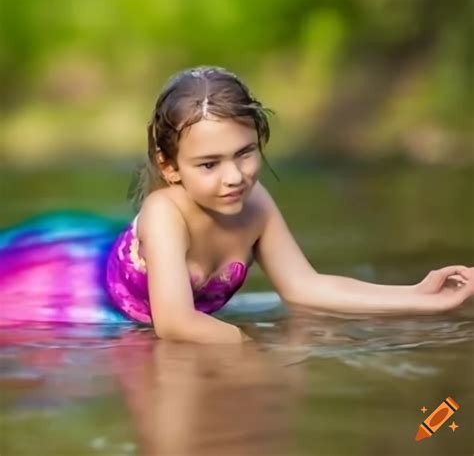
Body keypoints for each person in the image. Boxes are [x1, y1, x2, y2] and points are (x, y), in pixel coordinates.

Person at [1, 66, 473, 342]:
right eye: (208, 164)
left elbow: (306, 287)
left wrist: (420, 298)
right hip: (78, 301)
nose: (234, 176)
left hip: (176, 329)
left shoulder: (256, 204)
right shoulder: (166, 214)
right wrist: (253, 349)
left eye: (245, 153)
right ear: (170, 167)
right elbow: (175, 324)